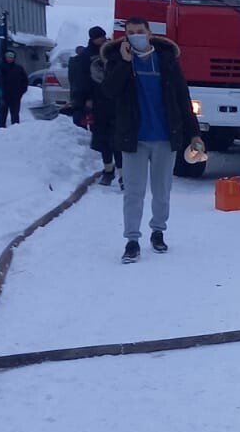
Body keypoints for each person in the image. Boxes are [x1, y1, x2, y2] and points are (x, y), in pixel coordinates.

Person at [101, 19, 203, 263]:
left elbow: (182, 97)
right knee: (133, 192)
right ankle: (132, 240)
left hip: (165, 137)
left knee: (161, 190)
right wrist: (125, 64)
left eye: (140, 32)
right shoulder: (118, 60)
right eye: (131, 33)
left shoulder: (167, 59)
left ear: (149, 34)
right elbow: (109, 91)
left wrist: (194, 133)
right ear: (125, 36)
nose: (136, 36)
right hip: (133, 137)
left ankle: (158, 231)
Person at [73, 26, 121, 185]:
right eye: (99, 37)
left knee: (118, 139)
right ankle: (108, 170)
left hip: (115, 102)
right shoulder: (86, 56)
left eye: (103, 36)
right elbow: (81, 81)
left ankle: (123, 174)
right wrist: (82, 102)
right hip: (97, 103)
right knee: (103, 140)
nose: (102, 39)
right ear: (93, 38)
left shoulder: (112, 51)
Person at [0, 50, 29, 125]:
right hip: (3, 96)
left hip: (15, 96)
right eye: (8, 57)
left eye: (11, 57)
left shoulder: (19, 68)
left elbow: (25, 81)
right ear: (5, 57)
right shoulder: (0, 68)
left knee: (15, 115)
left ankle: (15, 130)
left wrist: (21, 92)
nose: (10, 59)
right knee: (2, 115)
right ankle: (1, 129)